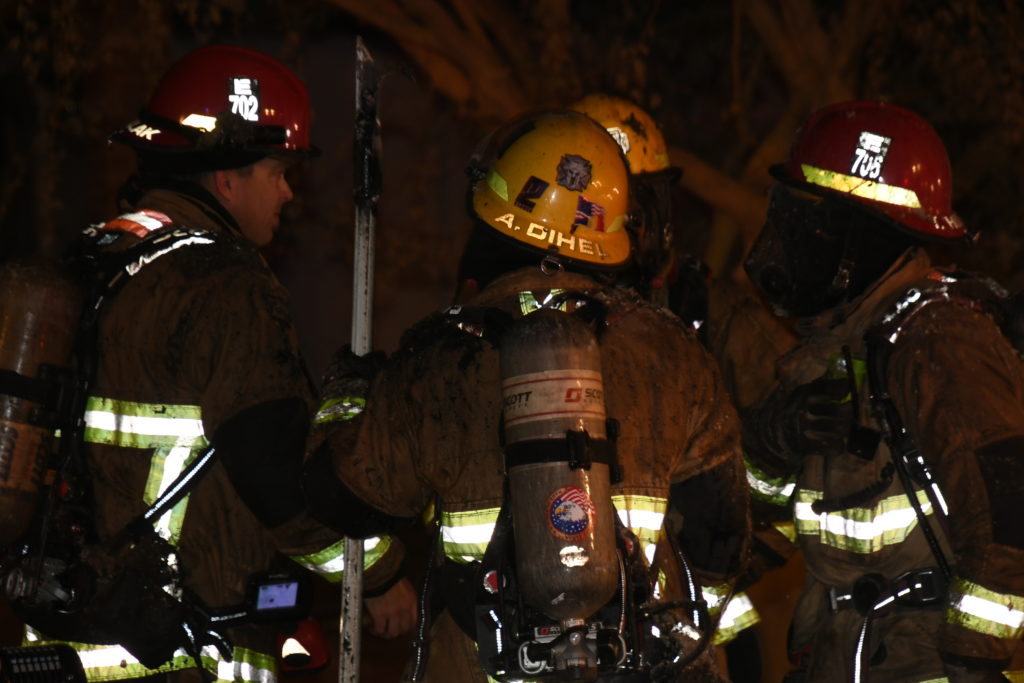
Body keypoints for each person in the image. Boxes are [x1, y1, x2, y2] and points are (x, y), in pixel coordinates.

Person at [302, 110, 751, 682]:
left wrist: (348, 392)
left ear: (492, 213)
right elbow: (721, 535)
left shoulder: (437, 356)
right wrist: (671, 629)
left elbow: (343, 497)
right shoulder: (670, 350)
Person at [19, 44, 415, 682]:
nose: (288, 192)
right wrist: (378, 573)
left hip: (66, 640)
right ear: (228, 177)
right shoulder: (225, 284)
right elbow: (275, 468)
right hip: (181, 650)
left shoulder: (96, 260)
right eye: (278, 172)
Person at [741, 100, 1024, 682]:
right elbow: (758, 527)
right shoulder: (838, 346)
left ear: (865, 237)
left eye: (813, 224)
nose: (791, 242)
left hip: (927, 662)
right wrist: (774, 438)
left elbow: (1010, 522)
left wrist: (971, 663)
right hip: (844, 655)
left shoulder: (939, 342)